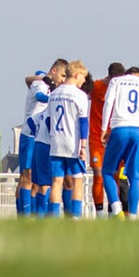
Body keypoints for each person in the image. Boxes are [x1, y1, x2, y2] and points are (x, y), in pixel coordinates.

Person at [102, 65, 139, 217]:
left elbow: (108, 103)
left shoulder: (117, 81)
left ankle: (117, 209)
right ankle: (133, 215)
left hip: (119, 127)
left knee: (107, 171)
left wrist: (104, 128)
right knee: (134, 177)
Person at [18, 60, 67, 217]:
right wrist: (54, 96)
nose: (63, 80)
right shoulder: (41, 84)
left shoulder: (51, 85)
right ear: (54, 71)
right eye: (62, 75)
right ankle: (24, 217)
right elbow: (39, 95)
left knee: (39, 180)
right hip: (30, 135)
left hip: (42, 137)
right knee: (27, 176)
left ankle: (35, 215)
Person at [45, 62, 92, 217]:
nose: (84, 81)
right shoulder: (80, 95)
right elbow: (84, 122)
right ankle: (76, 216)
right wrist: (83, 146)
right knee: (77, 180)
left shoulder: (54, 93)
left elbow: (48, 121)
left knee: (56, 182)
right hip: (73, 145)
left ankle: (54, 217)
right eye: (83, 77)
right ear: (77, 75)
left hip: (56, 142)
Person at [85, 63, 124, 215]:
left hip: (115, 138)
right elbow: (83, 94)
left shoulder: (122, 89)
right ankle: (99, 213)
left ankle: (112, 212)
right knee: (98, 174)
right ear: (109, 78)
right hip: (97, 138)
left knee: (115, 176)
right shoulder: (96, 86)